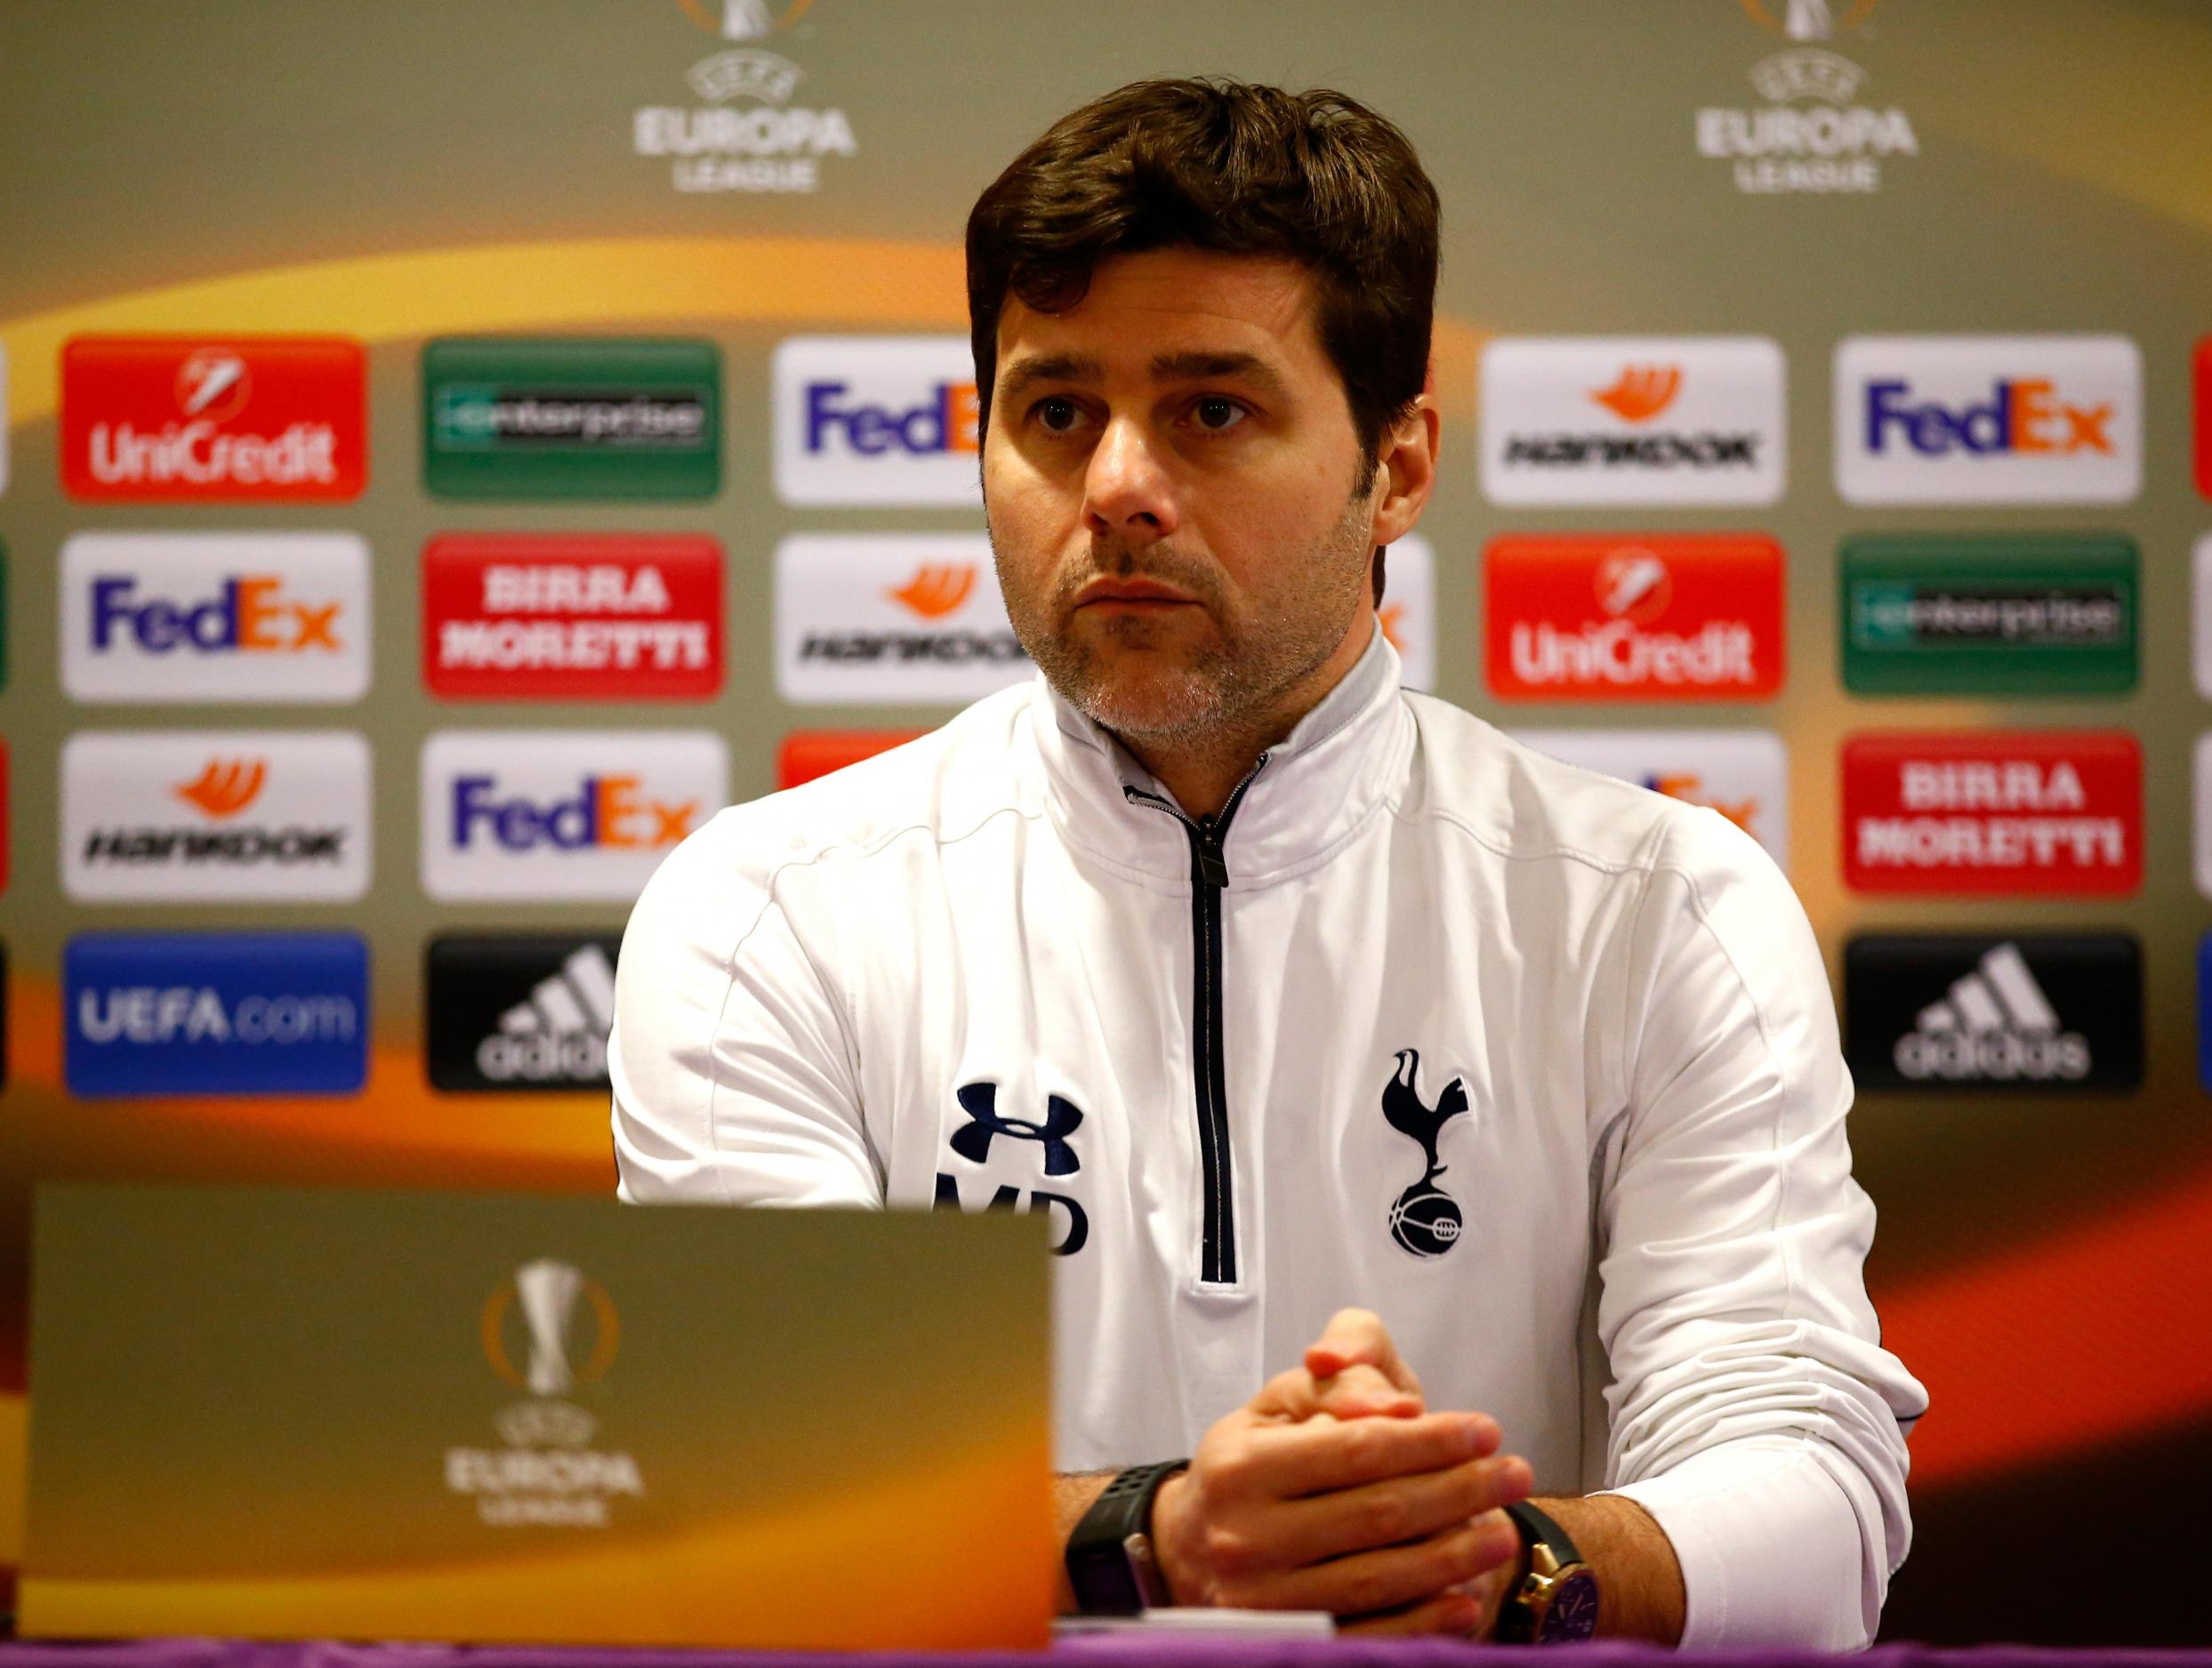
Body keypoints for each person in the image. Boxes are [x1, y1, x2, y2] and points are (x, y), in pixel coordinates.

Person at [610, 77, 1925, 1647]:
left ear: (1402, 464)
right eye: (1054, 412)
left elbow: (1814, 1500)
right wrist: (1157, 1540)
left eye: (1211, 410)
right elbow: (755, 1494)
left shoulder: (1665, 911)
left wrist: (1494, 1565)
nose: (1114, 487)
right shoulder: (767, 912)